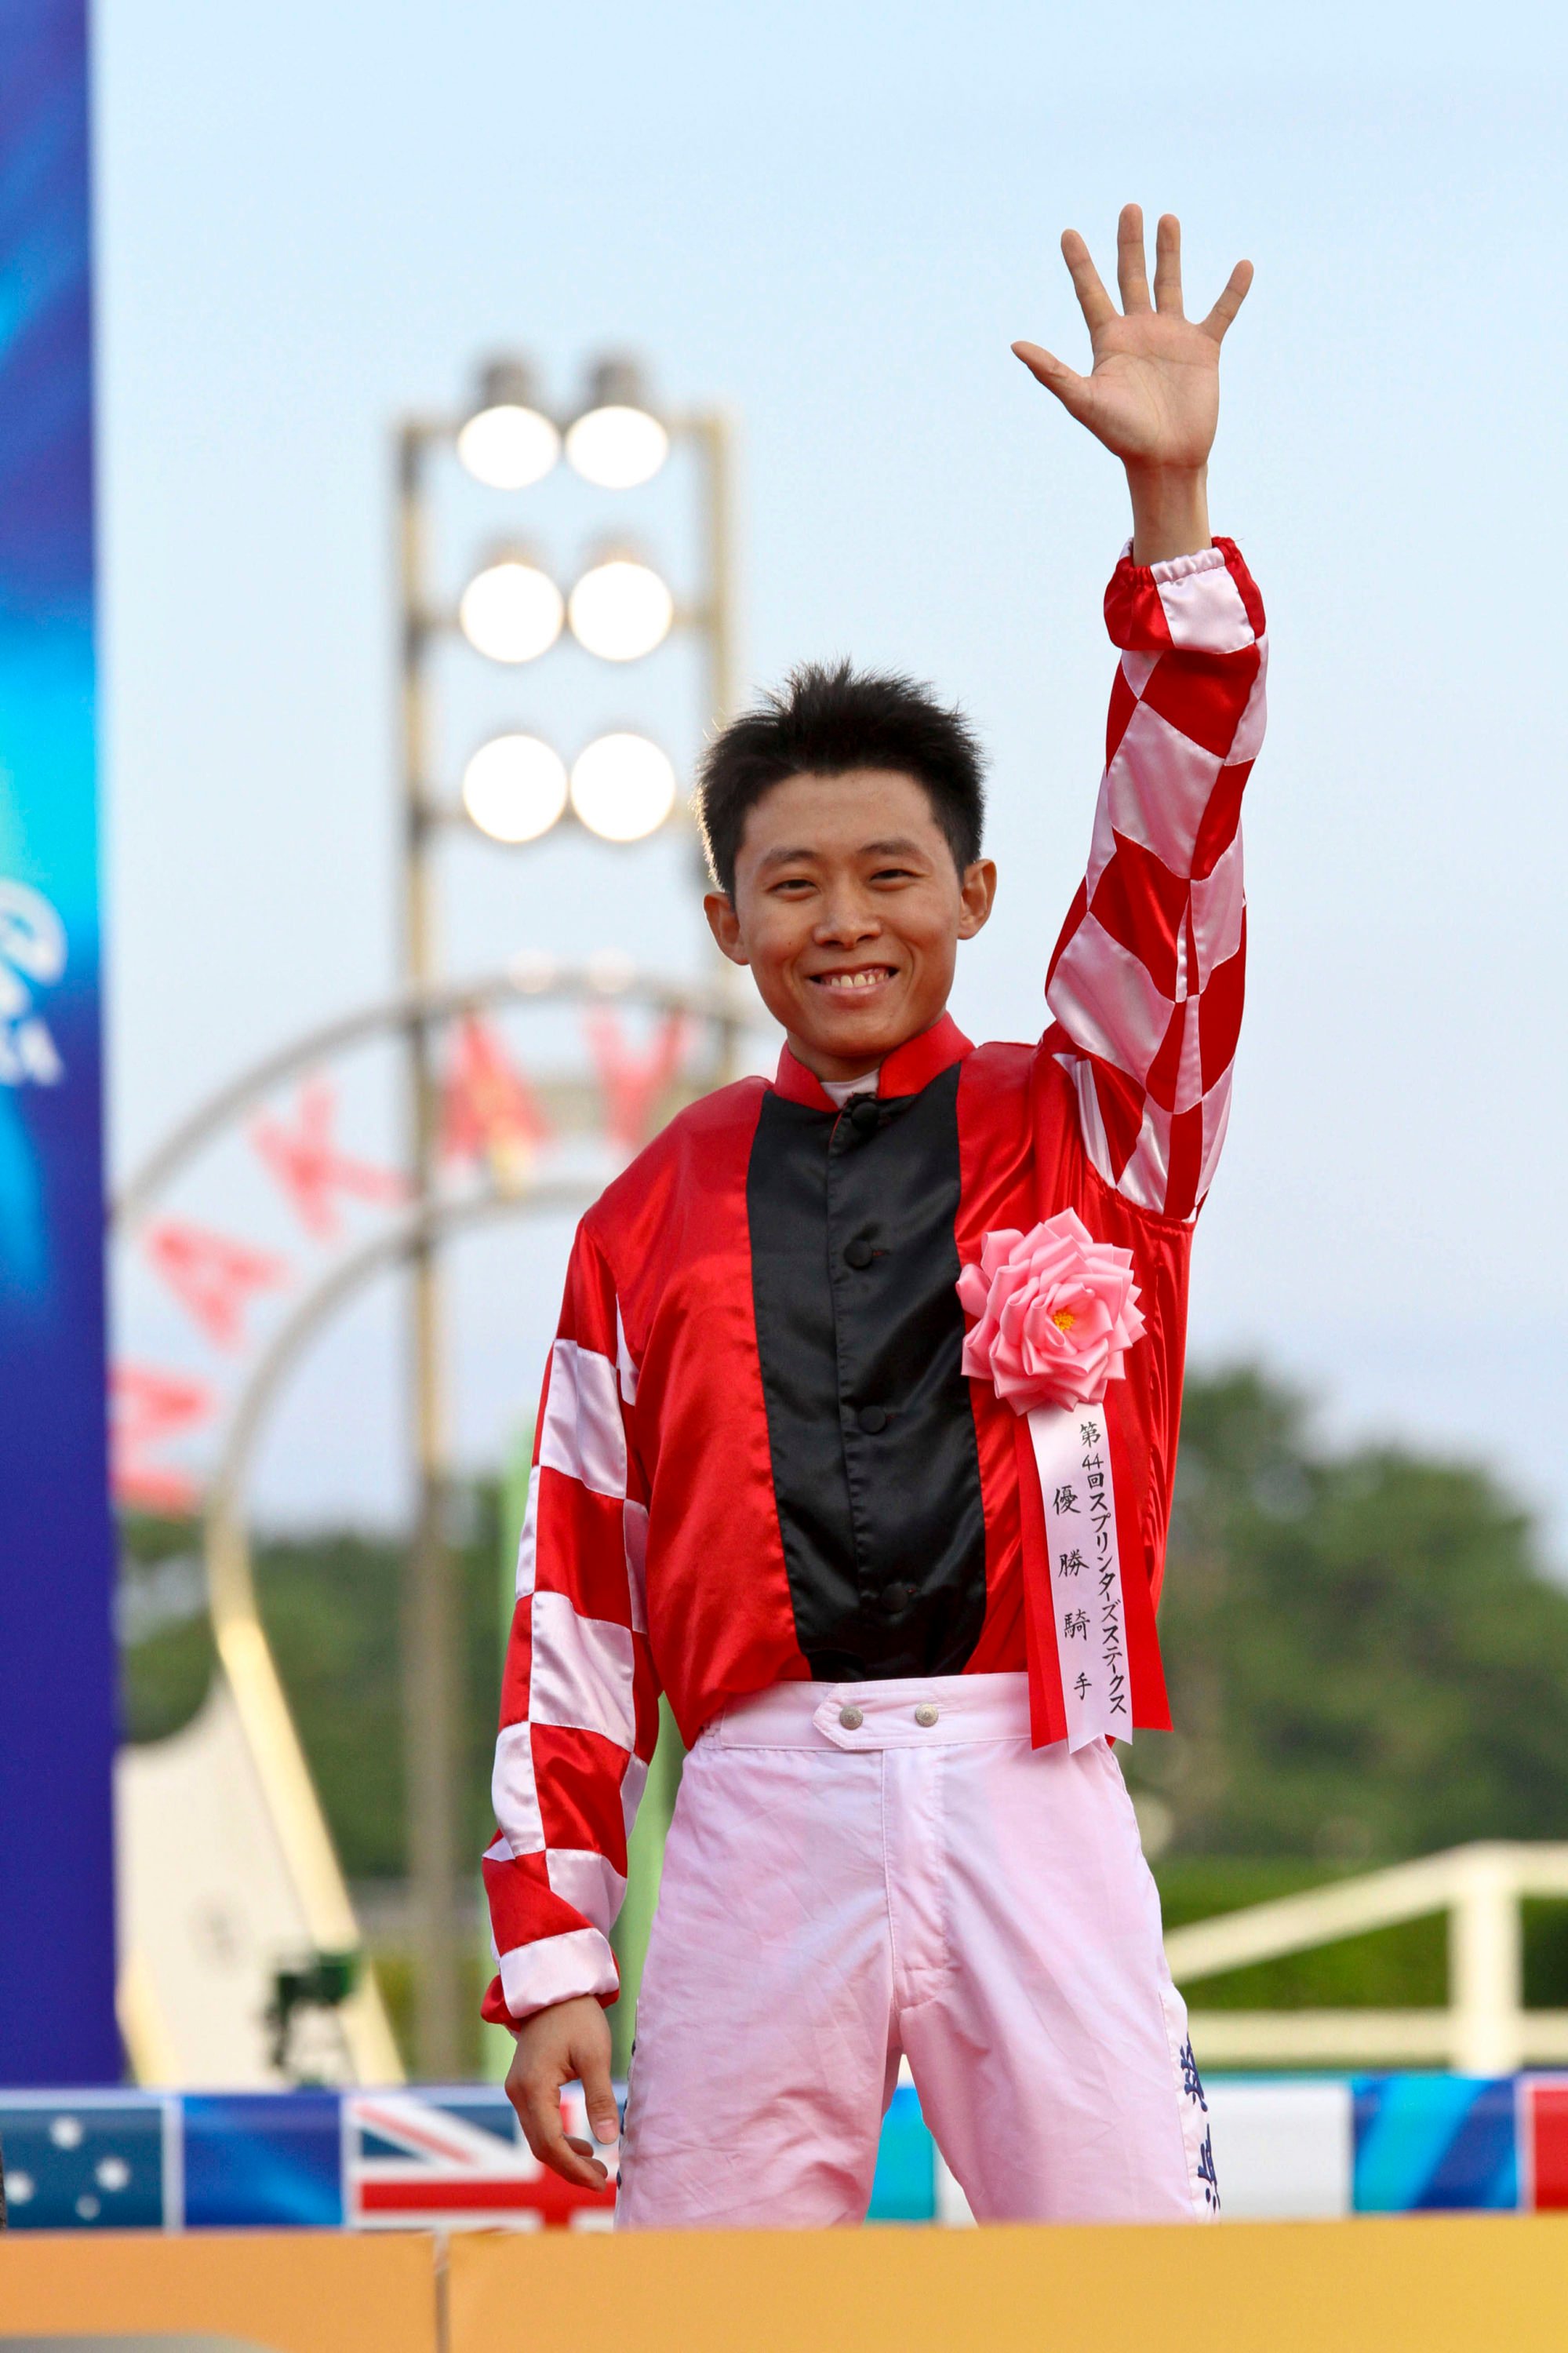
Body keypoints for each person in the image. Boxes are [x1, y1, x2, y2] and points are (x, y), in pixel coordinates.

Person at [485, 204, 1264, 2227]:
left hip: (1039, 1788)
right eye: (798, 884)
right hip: (755, 1807)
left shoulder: (1098, 1111)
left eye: (895, 875)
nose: (850, 922)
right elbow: (578, 1588)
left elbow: (1176, 857)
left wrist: (1169, 505)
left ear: (981, 899)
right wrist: (557, 1950)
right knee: (715, 2310)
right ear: (729, 920)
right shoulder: (647, 1213)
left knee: (1135, 2299)